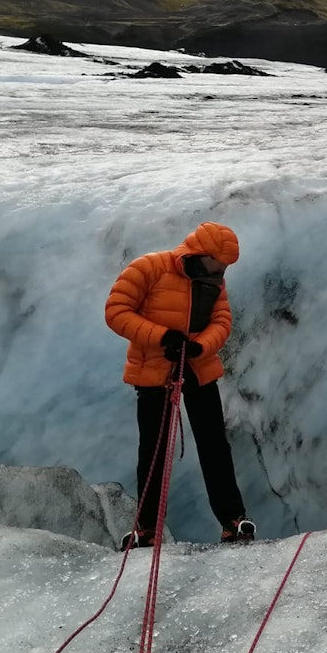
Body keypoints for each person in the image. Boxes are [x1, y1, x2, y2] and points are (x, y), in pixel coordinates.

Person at [105, 221, 255, 548]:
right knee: (155, 450)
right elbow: (116, 311)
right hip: (154, 371)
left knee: (214, 444)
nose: (224, 270)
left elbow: (222, 321)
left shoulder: (214, 282)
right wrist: (162, 337)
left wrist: (201, 346)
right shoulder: (150, 268)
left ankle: (233, 519)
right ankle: (146, 529)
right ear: (204, 253)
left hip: (198, 369)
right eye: (221, 263)